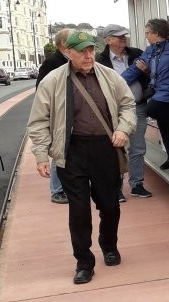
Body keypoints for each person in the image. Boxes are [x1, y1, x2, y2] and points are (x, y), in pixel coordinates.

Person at [27, 31, 136, 285]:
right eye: (82, 51)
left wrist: (123, 128)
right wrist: (42, 154)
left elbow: (128, 105)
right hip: (71, 150)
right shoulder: (53, 81)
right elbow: (39, 120)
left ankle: (109, 245)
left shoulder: (109, 76)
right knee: (78, 209)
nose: (89, 56)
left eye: (91, 50)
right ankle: (84, 262)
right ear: (69, 53)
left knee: (109, 204)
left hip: (105, 147)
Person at [97, 24, 153, 199]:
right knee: (116, 148)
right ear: (107, 40)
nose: (123, 38)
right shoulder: (100, 61)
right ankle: (116, 188)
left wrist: (147, 71)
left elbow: (154, 75)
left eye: (124, 35)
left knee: (138, 148)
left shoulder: (136, 53)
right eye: (118, 36)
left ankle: (137, 184)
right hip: (115, 111)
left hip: (139, 106)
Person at [122, 18, 169, 169]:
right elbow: (134, 70)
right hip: (159, 89)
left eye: (148, 33)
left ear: (157, 33)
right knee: (163, 121)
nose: (146, 36)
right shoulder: (150, 50)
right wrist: (116, 83)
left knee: (153, 110)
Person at [36, 28, 74, 204]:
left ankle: (68, 187)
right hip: (59, 114)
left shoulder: (75, 59)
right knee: (60, 151)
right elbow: (41, 91)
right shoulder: (52, 62)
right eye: (72, 38)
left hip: (73, 113)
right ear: (63, 44)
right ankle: (57, 190)